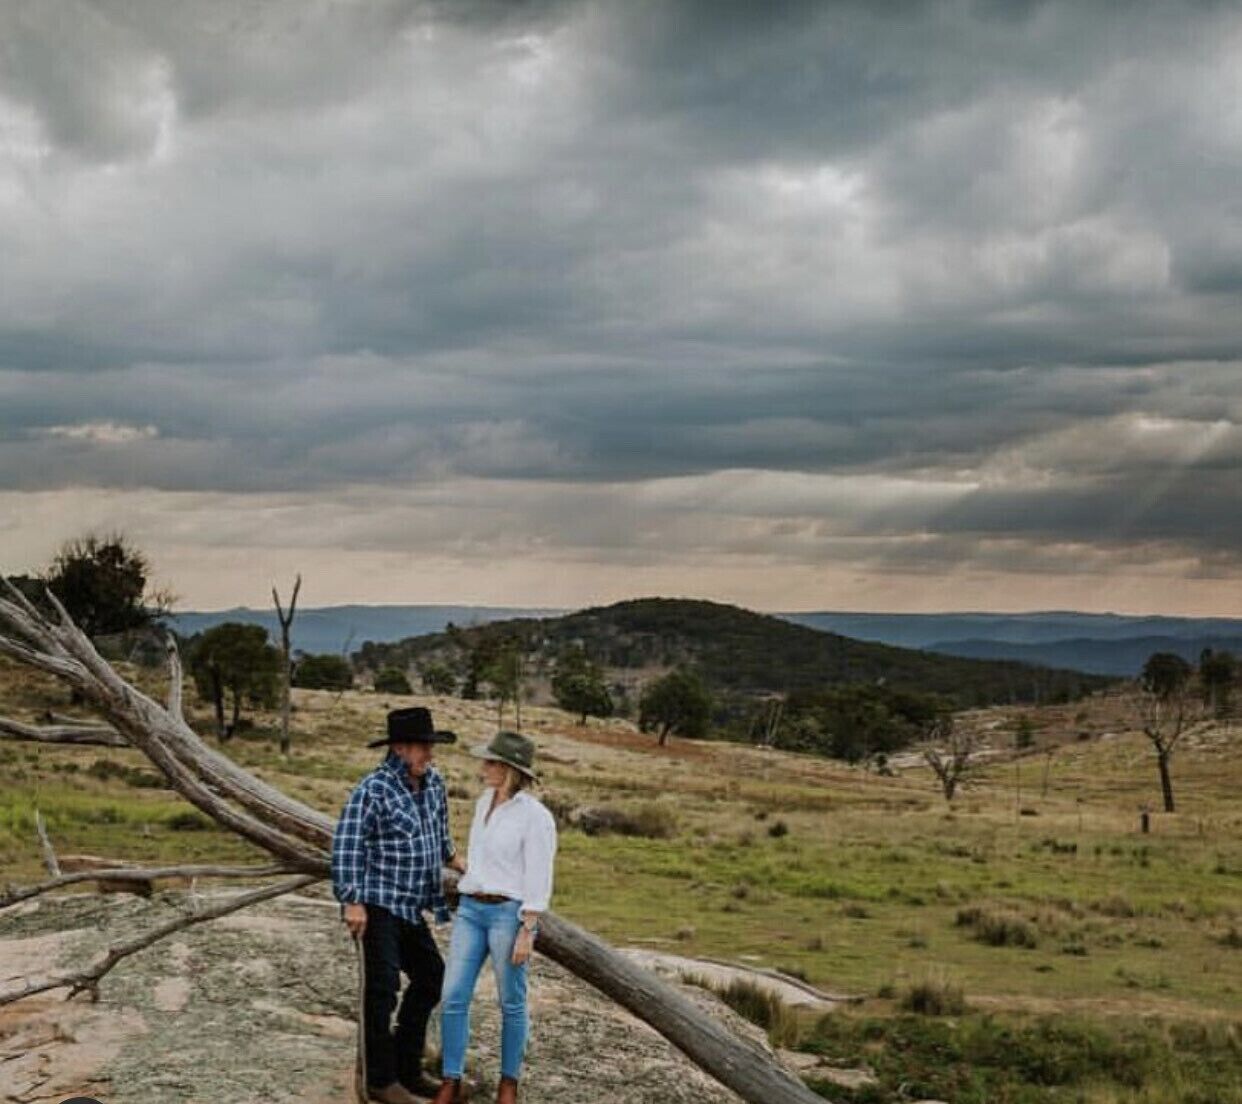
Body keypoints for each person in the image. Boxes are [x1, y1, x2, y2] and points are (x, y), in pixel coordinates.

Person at [332, 706, 466, 1104]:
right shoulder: (373, 789)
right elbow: (347, 845)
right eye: (424, 747)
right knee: (382, 989)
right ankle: (380, 1078)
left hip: (411, 905)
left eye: (431, 746)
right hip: (378, 902)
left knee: (432, 977)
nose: (431, 754)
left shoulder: (433, 782)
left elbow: (438, 831)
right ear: (400, 748)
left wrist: (454, 859)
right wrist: (352, 900)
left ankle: (407, 1068)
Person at [433, 731, 558, 1104]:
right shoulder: (484, 801)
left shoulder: (536, 817)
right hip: (471, 909)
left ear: (508, 768)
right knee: (453, 996)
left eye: (489, 761)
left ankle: (509, 1083)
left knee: (511, 1002)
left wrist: (528, 928)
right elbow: (481, 858)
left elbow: (540, 873)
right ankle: (450, 1079)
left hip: (507, 914)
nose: (482, 766)